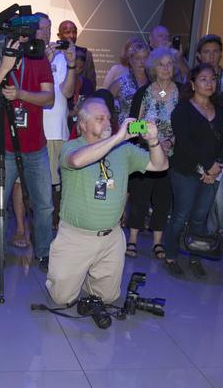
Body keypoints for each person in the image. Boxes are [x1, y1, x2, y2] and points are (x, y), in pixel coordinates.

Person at [45, 98, 166, 306]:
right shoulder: (71, 147)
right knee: (61, 298)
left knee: (108, 298)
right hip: (76, 236)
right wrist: (118, 138)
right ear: (83, 125)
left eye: (109, 117)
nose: (107, 122)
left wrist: (153, 141)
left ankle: (86, 276)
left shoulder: (124, 150)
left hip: (111, 238)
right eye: (100, 118)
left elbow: (160, 165)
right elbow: (76, 161)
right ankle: (75, 274)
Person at [0, 18, 56, 271]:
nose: (21, 41)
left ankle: (43, 252)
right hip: (3, 146)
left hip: (35, 147)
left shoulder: (38, 58)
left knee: (44, 205)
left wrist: (21, 95)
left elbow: (49, 98)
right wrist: (3, 69)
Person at [161, 64, 223, 278]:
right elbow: (186, 143)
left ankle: (195, 256)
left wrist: (215, 167)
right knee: (181, 216)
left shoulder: (220, 110)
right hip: (186, 171)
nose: (209, 83)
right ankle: (171, 256)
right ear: (193, 84)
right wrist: (207, 166)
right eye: (203, 79)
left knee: (200, 217)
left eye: (212, 79)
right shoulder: (182, 110)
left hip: (213, 173)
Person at [125, 47, 182, 260]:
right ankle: (132, 239)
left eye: (170, 64)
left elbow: (187, 126)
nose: (166, 68)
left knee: (163, 199)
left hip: (172, 154)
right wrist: (151, 138)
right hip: (144, 153)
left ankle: (158, 243)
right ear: (153, 68)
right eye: (161, 64)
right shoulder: (144, 92)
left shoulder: (182, 92)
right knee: (139, 197)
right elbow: (131, 126)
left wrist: (170, 141)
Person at [194, 33, 223, 238]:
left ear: (221, 54)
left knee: (218, 196)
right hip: (195, 148)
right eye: (206, 52)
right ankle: (195, 234)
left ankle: (216, 235)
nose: (211, 56)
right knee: (195, 193)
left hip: (219, 147)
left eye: (215, 52)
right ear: (199, 56)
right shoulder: (192, 79)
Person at [44, 23, 82, 225]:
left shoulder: (62, 56)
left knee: (59, 181)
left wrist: (71, 64)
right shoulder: (29, 55)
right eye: (42, 29)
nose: (46, 33)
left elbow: (67, 93)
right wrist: (45, 62)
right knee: (35, 183)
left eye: (48, 29)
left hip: (58, 130)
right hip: (35, 130)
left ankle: (57, 220)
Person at [104, 38, 150, 121]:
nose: (142, 62)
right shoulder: (120, 83)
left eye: (145, 58)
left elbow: (164, 95)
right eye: (138, 58)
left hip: (150, 130)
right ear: (130, 61)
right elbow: (104, 103)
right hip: (126, 130)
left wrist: (163, 92)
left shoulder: (154, 82)